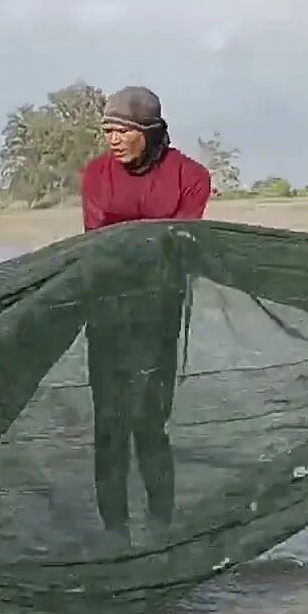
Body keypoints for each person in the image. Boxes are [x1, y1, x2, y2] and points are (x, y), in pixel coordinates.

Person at [79, 87, 211, 542]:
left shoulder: (190, 176)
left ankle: (161, 526)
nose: (113, 139)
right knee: (109, 423)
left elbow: (182, 241)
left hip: (159, 314)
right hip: (106, 312)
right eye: (108, 130)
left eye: (123, 131)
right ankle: (115, 531)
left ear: (149, 132)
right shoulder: (96, 174)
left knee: (149, 422)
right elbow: (99, 242)